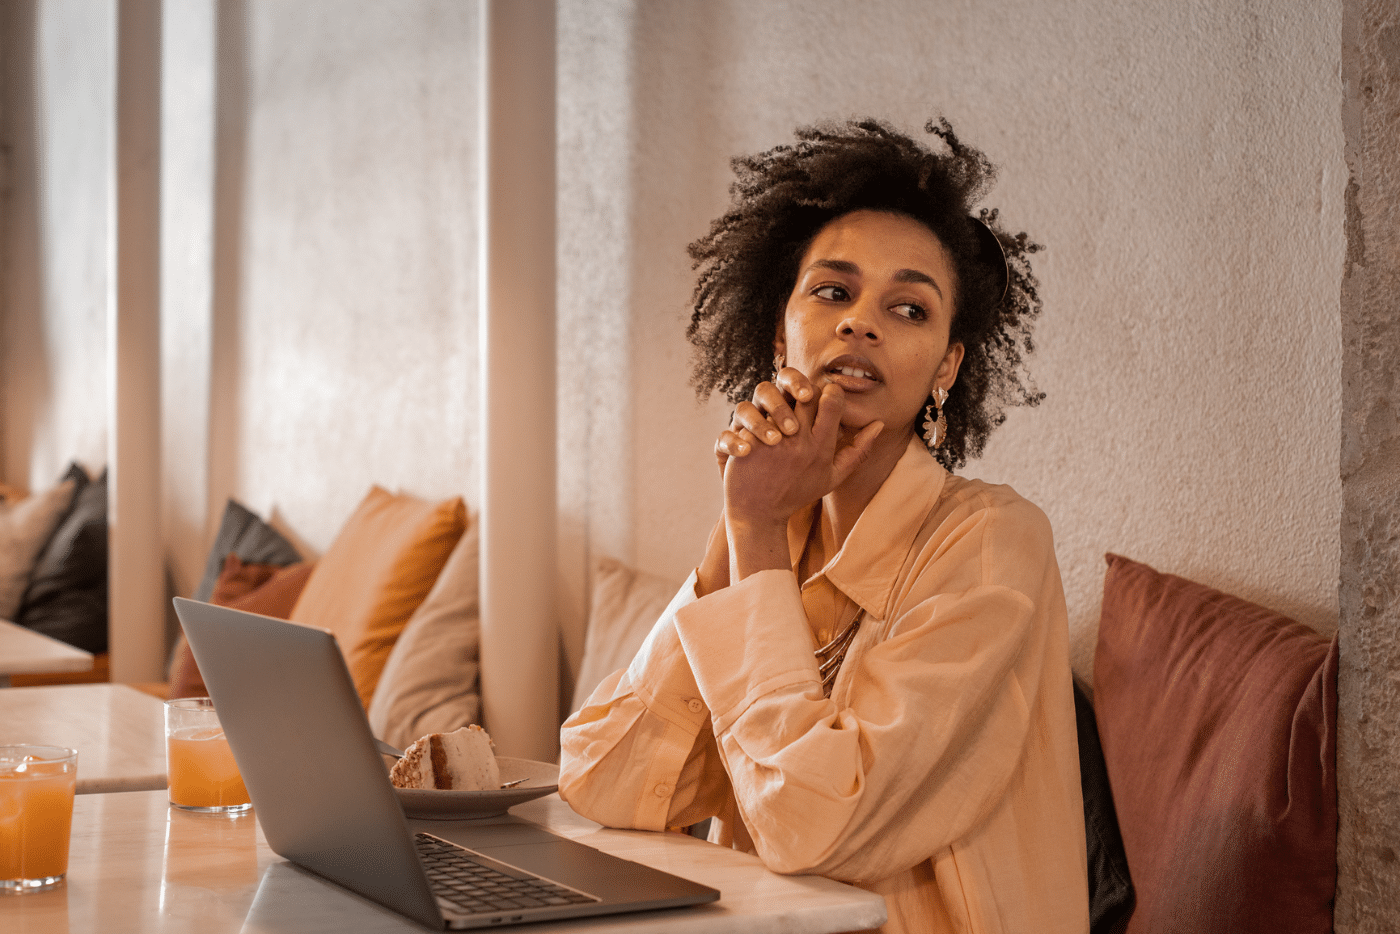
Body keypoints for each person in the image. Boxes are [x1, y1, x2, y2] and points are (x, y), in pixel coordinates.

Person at [559, 117, 1089, 934]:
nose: (859, 323)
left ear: (947, 364)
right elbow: (604, 778)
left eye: (908, 308)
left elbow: (810, 823)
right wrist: (749, 525)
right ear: (781, 336)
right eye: (833, 292)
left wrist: (758, 532)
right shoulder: (771, 529)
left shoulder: (991, 542)